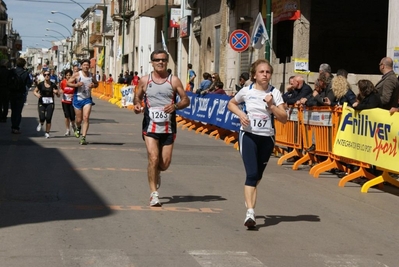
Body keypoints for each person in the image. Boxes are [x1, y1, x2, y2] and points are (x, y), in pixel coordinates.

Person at [227, 59, 287, 229]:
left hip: (267, 138)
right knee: (252, 174)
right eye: (261, 72)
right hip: (248, 135)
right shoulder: (247, 91)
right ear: (254, 75)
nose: (265, 75)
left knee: (257, 176)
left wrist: (272, 106)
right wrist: (241, 114)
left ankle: (249, 197)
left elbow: (284, 118)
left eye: (268, 72)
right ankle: (250, 213)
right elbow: (231, 103)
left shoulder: (275, 93)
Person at [133, 49, 190, 207]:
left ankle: (157, 171)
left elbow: (186, 100)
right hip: (150, 125)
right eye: (157, 60)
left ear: (167, 62)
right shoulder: (145, 80)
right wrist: (137, 105)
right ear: (152, 62)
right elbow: (137, 96)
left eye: (163, 60)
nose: (160, 62)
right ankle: (154, 194)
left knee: (164, 164)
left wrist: (176, 106)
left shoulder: (174, 80)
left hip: (168, 127)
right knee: (153, 158)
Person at [67, 59, 99, 145]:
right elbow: (68, 83)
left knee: (86, 117)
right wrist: (76, 85)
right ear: (81, 66)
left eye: (87, 65)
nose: (86, 66)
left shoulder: (91, 76)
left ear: (89, 66)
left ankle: (83, 137)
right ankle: (78, 127)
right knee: (79, 119)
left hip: (87, 99)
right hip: (78, 99)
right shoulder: (77, 74)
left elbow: (97, 84)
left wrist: (93, 85)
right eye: (84, 65)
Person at [33, 70, 60, 138]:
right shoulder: (41, 84)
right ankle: (41, 123)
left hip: (50, 103)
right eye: (45, 75)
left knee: (48, 118)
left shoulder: (53, 84)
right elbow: (35, 91)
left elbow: (58, 95)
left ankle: (47, 132)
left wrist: (56, 92)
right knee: (42, 117)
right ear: (43, 76)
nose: (47, 76)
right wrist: (37, 95)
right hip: (42, 102)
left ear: (50, 76)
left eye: (48, 75)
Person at [9, 58, 32, 134]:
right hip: (21, 94)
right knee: (18, 111)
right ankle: (16, 127)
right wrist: (25, 89)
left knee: (13, 111)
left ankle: (13, 126)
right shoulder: (25, 73)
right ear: (24, 64)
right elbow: (29, 83)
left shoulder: (12, 72)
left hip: (12, 94)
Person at [59, 69, 76, 136]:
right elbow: (61, 89)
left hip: (72, 101)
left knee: (72, 116)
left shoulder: (74, 82)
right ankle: (67, 130)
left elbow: (77, 91)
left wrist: (73, 95)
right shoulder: (63, 82)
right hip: (65, 101)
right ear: (65, 76)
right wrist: (61, 91)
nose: (68, 76)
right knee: (66, 116)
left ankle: (73, 126)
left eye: (70, 75)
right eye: (67, 75)